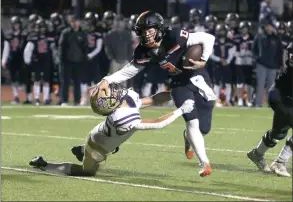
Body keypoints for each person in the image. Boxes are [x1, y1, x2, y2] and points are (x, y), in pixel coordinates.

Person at [89, 11, 216, 177]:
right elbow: (129, 70)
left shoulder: (174, 36)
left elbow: (208, 38)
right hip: (178, 83)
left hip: (198, 76)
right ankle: (204, 162)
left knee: (204, 128)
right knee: (192, 122)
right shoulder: (143, 51)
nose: (146, 35)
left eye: (149, 30)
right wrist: (107, 80)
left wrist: (204, 59)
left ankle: (187, 138)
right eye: (142, 31)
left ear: (159, 29)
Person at [29, 83, 195, 176]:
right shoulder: (121, 119)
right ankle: (45, 164)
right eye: (110, 92)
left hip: (103, 136)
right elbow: (158, 123)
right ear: (110, 102)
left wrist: (175, 93)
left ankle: (81, 150)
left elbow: (153, 99)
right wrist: (181, 109)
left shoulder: (125, 101)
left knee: (112, 146)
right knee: (87, 172)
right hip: (97, 148)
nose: (115, 89)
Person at [247, 42, 293, 177]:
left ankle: (257, 154)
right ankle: (280, 162)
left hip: (288, 98)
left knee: (278, 133)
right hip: (281, 95)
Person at [24, 19, 57, 105]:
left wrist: (55, 59)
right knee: (37, 80)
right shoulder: (33, 38)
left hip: (46, 61)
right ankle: (37, 98)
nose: (41, 29)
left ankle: (46, 98)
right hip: (37, 61)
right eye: (39, 27)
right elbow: (28, 49)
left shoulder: (49, 38)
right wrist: (27, 60)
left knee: (46, 80)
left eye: (42, 27)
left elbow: (53, 50)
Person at [58, 15, 88, 106]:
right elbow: (61, 47)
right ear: (70, 22)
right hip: (66, 61)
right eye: (73, 21)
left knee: (77, 82)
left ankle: (76, 100)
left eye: (77, 21)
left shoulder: (83, 33)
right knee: (65, 81)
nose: (75, 23)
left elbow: (85, 48)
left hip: (79, 61)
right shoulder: (66, 33)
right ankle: (64, 100)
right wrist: (61, 60)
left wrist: (84, 59)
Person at [252, 19, 283, 107]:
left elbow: (279, 52)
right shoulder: (259, 36)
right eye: (267, 26)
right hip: (261, 64)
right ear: (264, 27)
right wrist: (256, 60)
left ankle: (271, 104)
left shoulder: (276, 38)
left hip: (273, 65)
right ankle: (258, 104)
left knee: (271, 86)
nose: (269, 28)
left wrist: (279, 64)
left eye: (270, 26)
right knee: (260, 85)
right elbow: (254, 49)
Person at [1, 16, 27, 104]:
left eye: (18, 24)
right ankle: (16, 96)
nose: (16, 26)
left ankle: (27, 97)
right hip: (12, 58)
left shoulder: (23, 35)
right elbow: (6, 48)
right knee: (13, 79)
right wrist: (4, 60)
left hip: (21, 58)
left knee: (22, 79)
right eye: (15, 24)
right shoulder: (9, 35)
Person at [80, 12, 103, 106]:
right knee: (84, 80)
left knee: (95, 80)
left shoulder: (98, 32)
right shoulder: (83, 31)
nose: (88, 22)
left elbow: (99, 47)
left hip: (94, 59)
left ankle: (94, 99)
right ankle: (84, 98)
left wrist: (90, 55)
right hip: (84, 59)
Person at [210, 24, 236, 107]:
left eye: (223, 31)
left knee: (228, 82)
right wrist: (219, 59)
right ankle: (217, 100)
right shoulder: (213, 41)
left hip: (227, 65)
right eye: (220, 31)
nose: (222, 33)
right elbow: (210, 54)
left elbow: (232, 52)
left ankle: (227, 100)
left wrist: (227, 61)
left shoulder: (230, 42)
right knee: (217, 83)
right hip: (217, 64)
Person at [234, 21, 254, 107]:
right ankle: (240, 99)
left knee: (248, 82)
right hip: (239, 62)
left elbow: (254, 50)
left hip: (249, 62)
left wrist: (249, 53)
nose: (244, 30)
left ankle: (248, 99)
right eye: (243, 28)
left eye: (246, 28)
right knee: (240, 82)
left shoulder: (252, 37)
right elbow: (233, 50)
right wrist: (240, 54)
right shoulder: (237, 37)